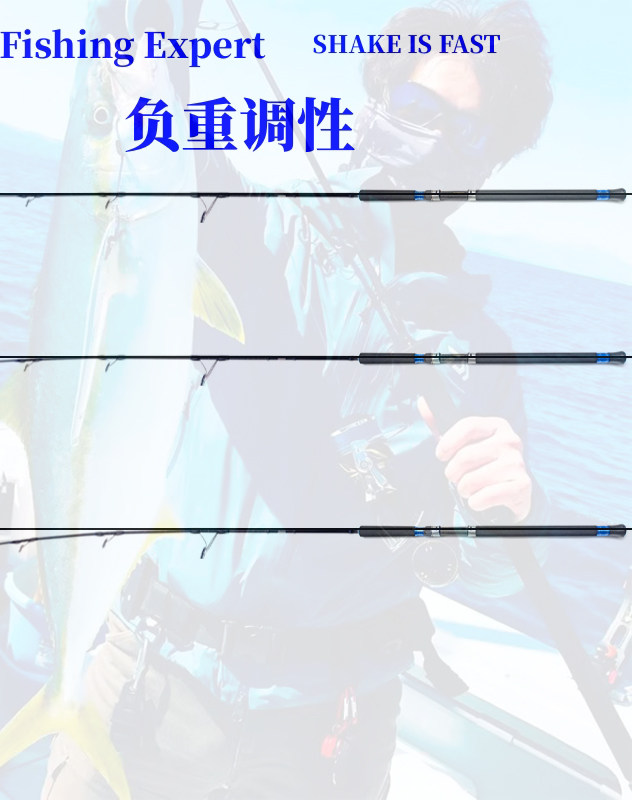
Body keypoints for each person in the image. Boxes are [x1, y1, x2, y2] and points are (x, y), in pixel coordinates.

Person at [42, 1, 553, 797]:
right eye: (419, 108)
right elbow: (140, 135)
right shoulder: (249, 227)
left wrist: (508, 513)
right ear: (378, 96)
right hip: (145, 678)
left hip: (326, 733)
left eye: (468, 133)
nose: (434, 144)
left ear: (490, 162)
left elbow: (490, 572)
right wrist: (149, 28)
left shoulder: (479, 353)